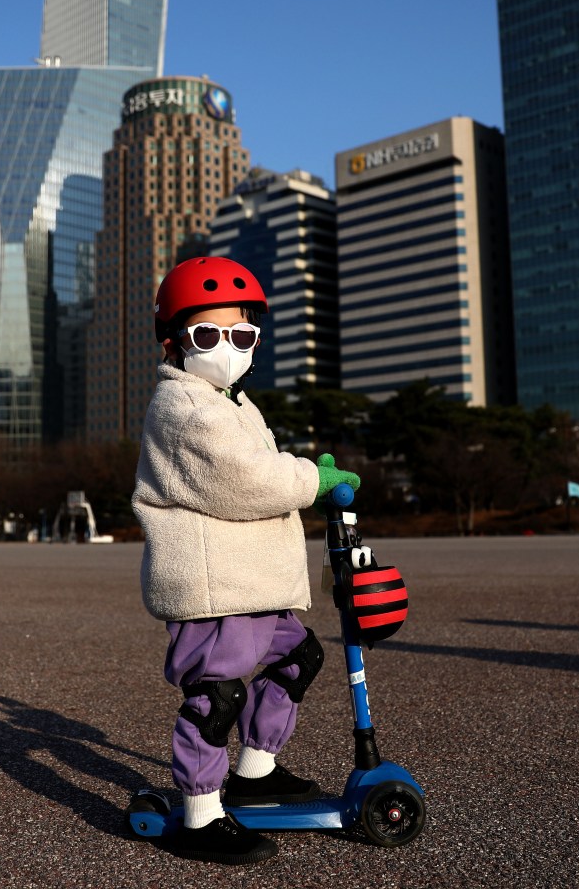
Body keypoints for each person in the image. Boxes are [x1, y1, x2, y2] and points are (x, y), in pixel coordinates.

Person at [133, 257, 359, 866]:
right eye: (208, 335)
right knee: (217, 696)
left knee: (298, 656)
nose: (227, 348)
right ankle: (200, 814)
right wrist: (314, 477)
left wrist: (304, 476)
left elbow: (258, 472)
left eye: (242, 335)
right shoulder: (182, 406)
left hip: (251, 583)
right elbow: (241, 480)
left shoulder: (233, 403)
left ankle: (255, 771)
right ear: (176, 341)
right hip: (214, 586)